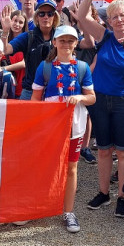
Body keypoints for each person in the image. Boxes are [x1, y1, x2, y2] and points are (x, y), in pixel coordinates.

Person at [76, 0, 124, 218]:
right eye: (114, 16)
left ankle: (122, 196)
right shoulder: (104, 36)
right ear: (109, 20)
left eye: (123, 15)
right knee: (104, 150)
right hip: (101, 100)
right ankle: (104, 193)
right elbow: (81, 17)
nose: (119, 19)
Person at [32, 26, 95, 233]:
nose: (66, 44)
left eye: (70, 41)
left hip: (74, 126)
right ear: (55, 42)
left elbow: (92, 98)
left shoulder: (83, 67)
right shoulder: (45, 67)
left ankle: (68, 212)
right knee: (45, 167)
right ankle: (37, 207)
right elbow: (35, 100)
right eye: (62, 40)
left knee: (71, 168)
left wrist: (80, 97)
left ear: (76, 43)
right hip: (50, 127)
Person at [1, 0, 61, 100]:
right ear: (37, 17)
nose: (46, 17)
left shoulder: (61, 36)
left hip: (54, 92)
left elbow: (86, 44)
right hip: (30, 91)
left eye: (50, 14)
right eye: (42, 14)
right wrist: (6, 31)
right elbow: (6, 50)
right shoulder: (28, 36)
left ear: (54, 17)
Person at [1, 10, 27, 97]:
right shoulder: (4, 40)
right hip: (6, 88)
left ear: (24, 25)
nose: (17, 24)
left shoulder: (27, 40)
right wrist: (5, 30)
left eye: (20, 22)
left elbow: (24, 63)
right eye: (15, 21)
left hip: (22, 88)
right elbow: (1, 53)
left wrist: (4, 68)